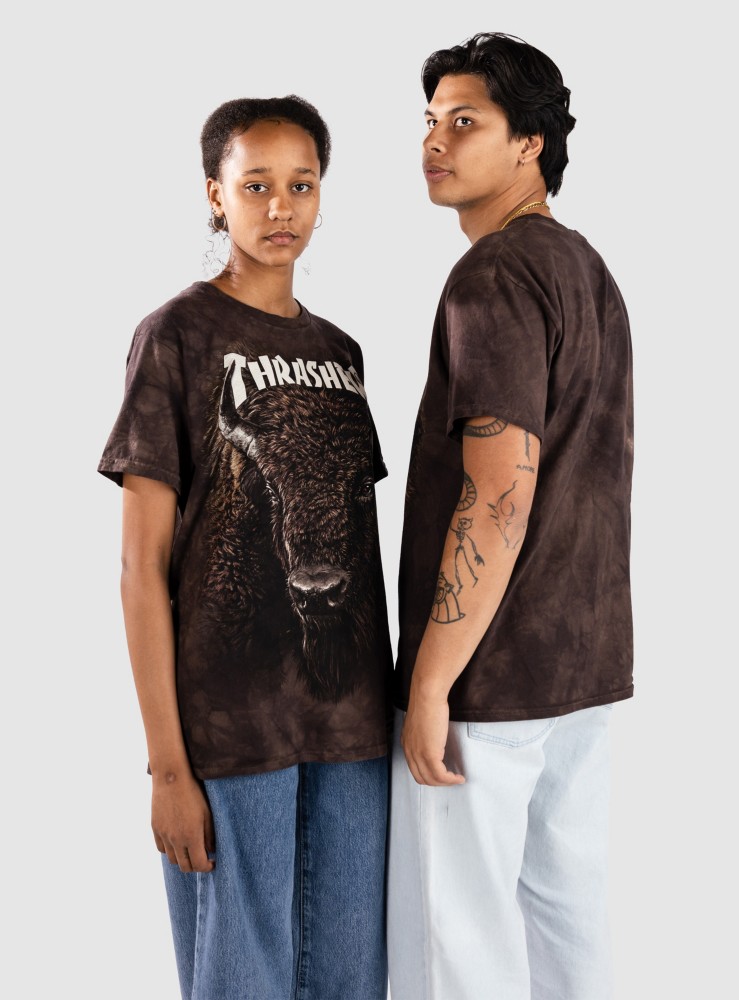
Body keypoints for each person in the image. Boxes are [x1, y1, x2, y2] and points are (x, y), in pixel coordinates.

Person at [98, 95, 392, 1000]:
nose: (281, 207)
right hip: (230, 729)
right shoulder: (175, 337)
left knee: (352, 980)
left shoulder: (342, 352)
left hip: (352, 727)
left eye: (302, 185)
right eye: (256, 185)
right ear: (214, 195)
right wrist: (167, 767)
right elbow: (139, 571)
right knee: (240, 982)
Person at [387, 32, 634, 1000]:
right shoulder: (584, 268)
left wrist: (430, 679)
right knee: (569, 923)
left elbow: (499, 492)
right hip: (583, 661)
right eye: (429, 121)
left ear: (529, 143)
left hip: (489, 675)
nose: (434, 143)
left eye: (465, 122)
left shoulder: (494, 275)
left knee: (460, 943)